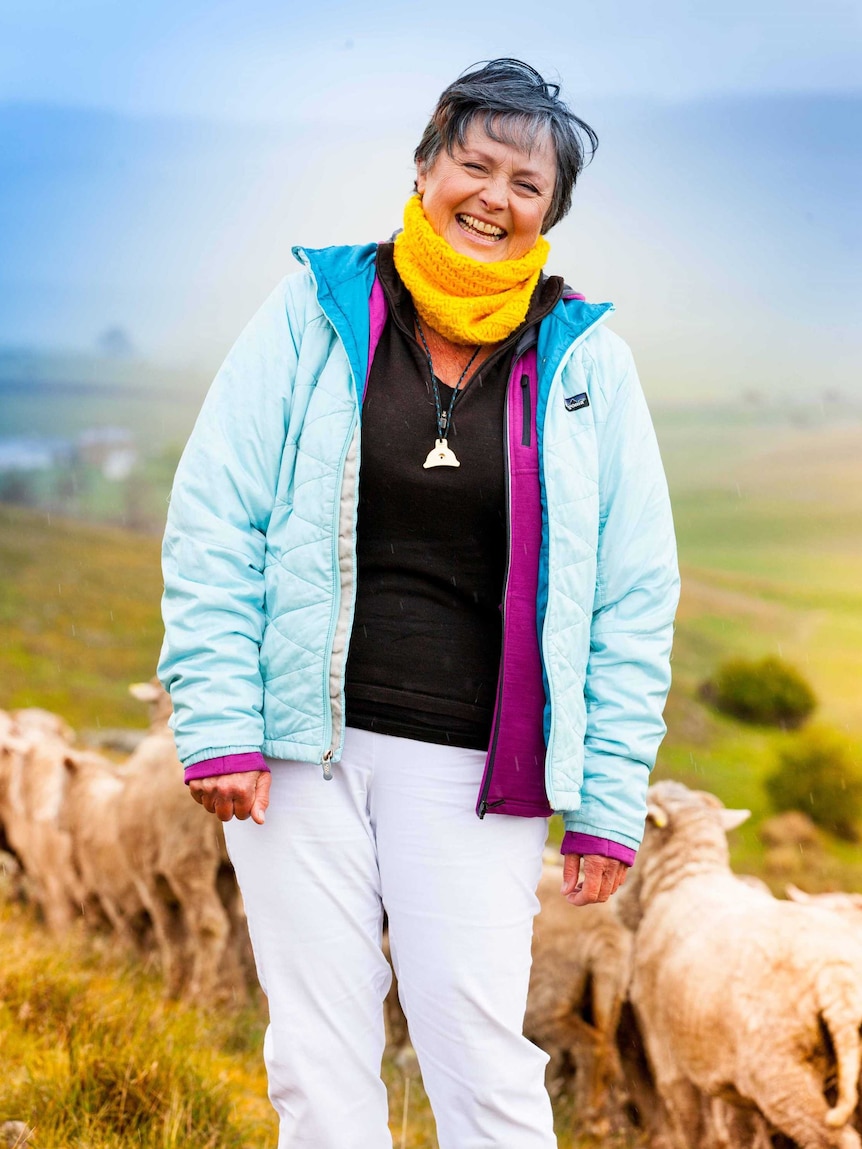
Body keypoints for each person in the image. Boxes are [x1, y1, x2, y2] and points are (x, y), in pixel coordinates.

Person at [158, 58, 679, 1149]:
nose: (493, 197)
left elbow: (633, 598)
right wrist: (218, 728)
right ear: (425, 165)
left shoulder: (587, 363)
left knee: (479, 1052)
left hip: (478, 768)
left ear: (551, 212)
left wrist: (607, 799)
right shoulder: (315, 310)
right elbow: (217, 516)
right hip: (300, 751)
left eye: (525, 184)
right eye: (474, 164)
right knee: (316, 1053)